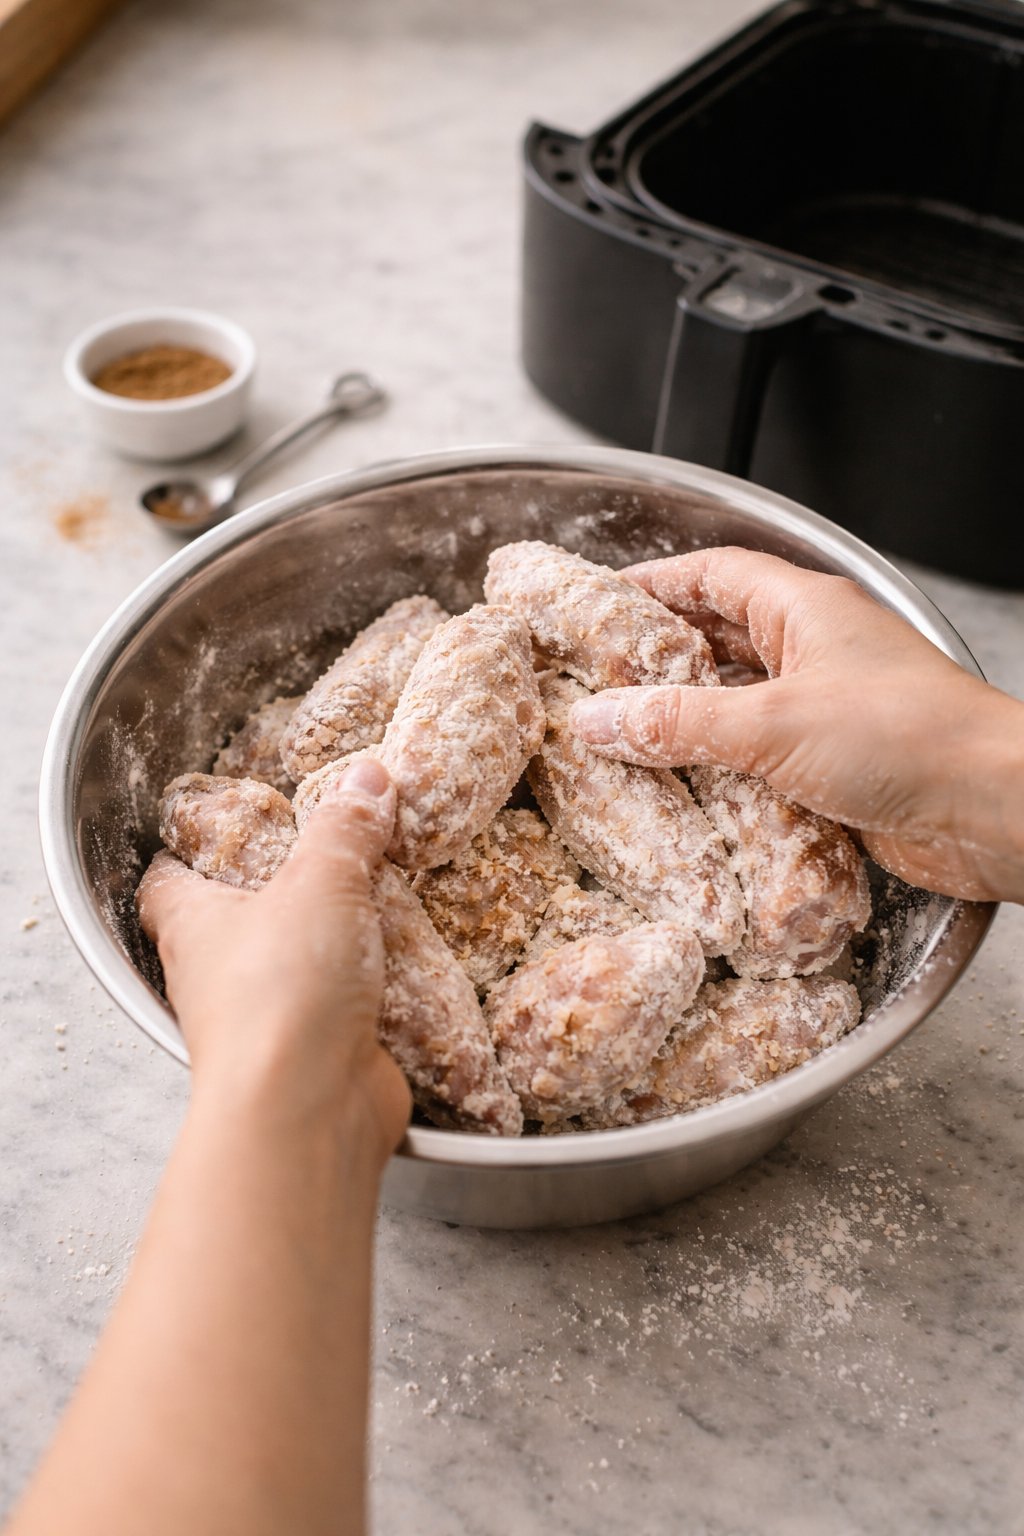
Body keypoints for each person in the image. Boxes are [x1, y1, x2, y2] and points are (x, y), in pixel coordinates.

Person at [6, 549, 1023, 1536]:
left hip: (595, 953)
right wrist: (972, 771)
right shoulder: (473, 849)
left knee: (710, 930)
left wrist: (966, 773)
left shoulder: (686, 904)